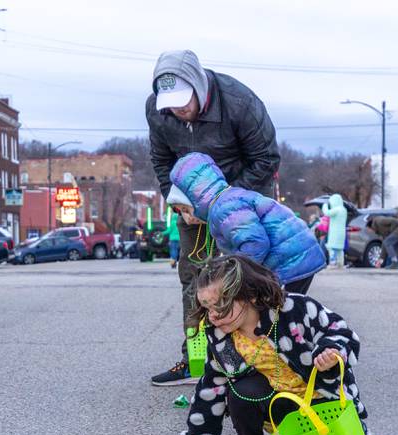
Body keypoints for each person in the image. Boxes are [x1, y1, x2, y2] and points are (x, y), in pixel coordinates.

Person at [163, 254, 386, 435]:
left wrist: (331, 351)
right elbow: (209, 391)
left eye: (220, 306)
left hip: (323, 395)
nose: (213, 316)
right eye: (207, 307)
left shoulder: (294, 309)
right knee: (239, 390)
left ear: (247, 295)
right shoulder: (221, 336)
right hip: (280, 404)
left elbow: (340, 330)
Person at [146, 49, 280, 386]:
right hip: (191, 204)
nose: (179, 109)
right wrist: (176, 201)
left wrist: (222, 203)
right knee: (194, 277)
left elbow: (266, 158)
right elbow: (162, 161)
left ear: (199, 84)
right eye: (171, 103)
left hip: (240, 198)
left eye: (184, 100)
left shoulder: (238, 102)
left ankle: (258, 355)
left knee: (245, 275)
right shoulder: (158, 110)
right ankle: (197, 360)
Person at [169, 152, 325, 292]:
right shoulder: (230, 198)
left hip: (289, 262)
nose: (188, 218)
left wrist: (236, 276)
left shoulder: (224, 209)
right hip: (295, 254)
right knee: (282, 309)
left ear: (196, 199)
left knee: (279, 313)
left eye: (185, 209)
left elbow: (254, 243)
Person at [322, 194, 348, 268]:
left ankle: (333, 263)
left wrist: (325, 205)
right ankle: (340, 264)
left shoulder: (337, 209)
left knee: (331, 247)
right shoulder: (344, 210)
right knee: (340, 249)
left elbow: (327, 213)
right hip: (342, 233)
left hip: (335, 232)